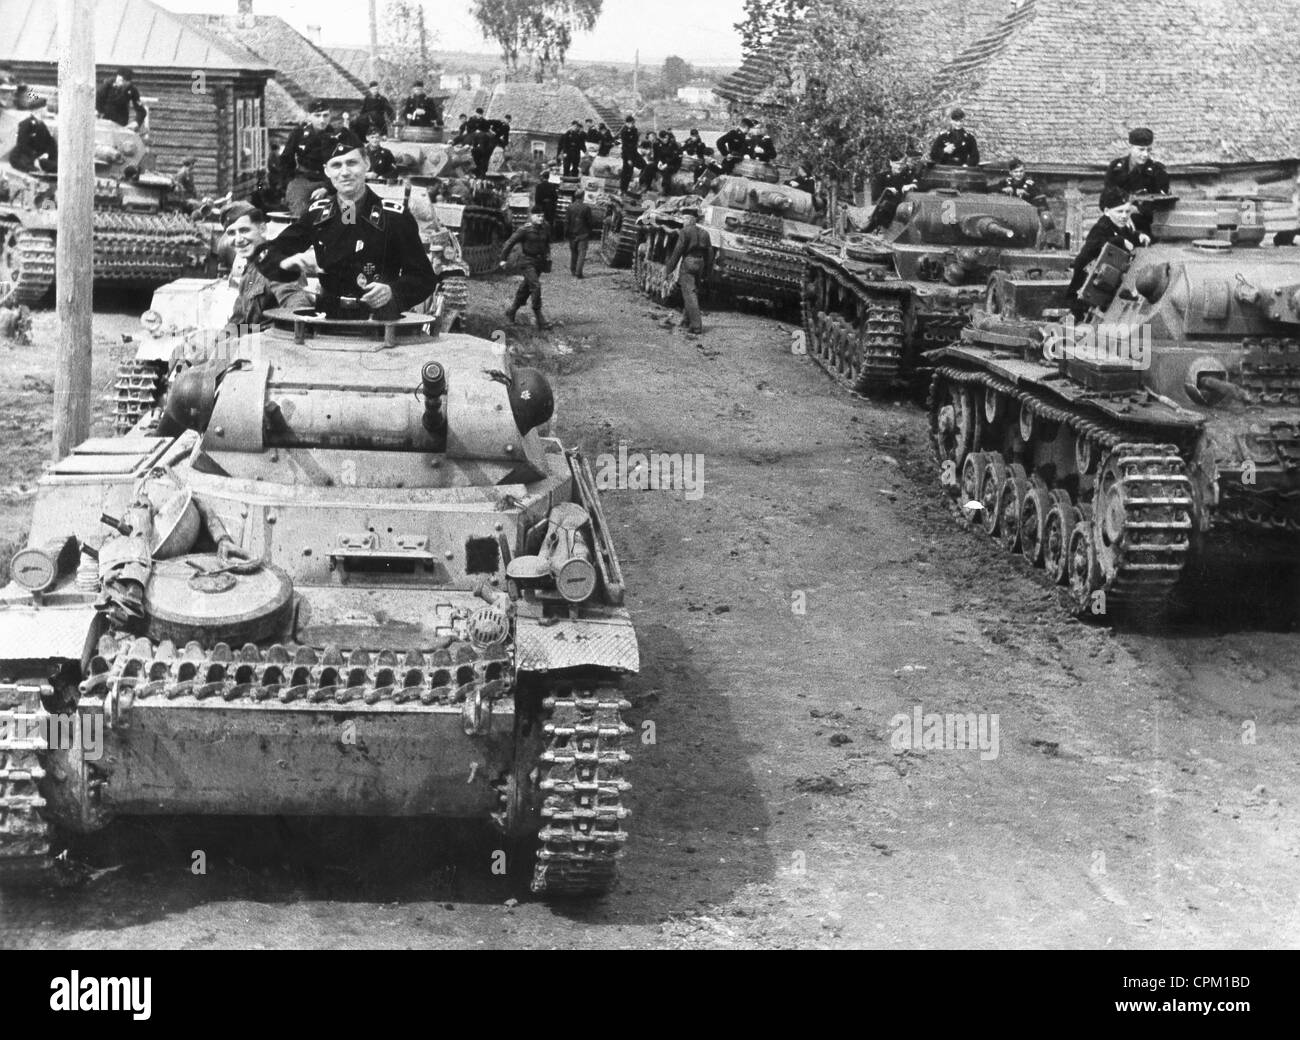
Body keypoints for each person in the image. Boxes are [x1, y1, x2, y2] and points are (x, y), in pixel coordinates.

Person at [258, 130, 436, 320]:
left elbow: (424, 278)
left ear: (366, 164)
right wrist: (288, 263)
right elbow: (268, 254)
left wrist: (393, 291)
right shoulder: (317, 215)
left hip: (379, 324)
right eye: (336, 165)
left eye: (352, 163)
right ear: (327, 171)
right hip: (328, 321)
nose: (344, 172)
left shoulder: (394, 217)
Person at [221, 202, 311, 328]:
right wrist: (218, 341)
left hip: (272, 342)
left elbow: (299, 308)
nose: (238, 239)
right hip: (252, 341)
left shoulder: (274, 263)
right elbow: (239, 320)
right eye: (231, 233)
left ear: (262, 229)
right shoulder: (250, 268)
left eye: (244, 230)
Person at [1066, 187, 1145, 318]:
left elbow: (1130, 236)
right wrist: (1120, 241)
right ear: (1107, 211)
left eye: (1127, 211)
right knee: (1081, 314)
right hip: (1085, 282)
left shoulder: (1120, 227)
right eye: (1119, 212)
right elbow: (1099, 244)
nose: (1124, 216)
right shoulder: (1101, 227)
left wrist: (1138, 236)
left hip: (1106, 278)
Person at [1103, 127, 1170, 238]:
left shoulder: (1157, 173)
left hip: (1144, 228)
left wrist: (1137, 209)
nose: (1145, 154)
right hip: (1114, 226)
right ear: (1131, 147)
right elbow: (1105, 200)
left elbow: (1161, 205)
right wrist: (1124, 212)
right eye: (1141, 149)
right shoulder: (1115, 168)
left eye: (1148, 150)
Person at [280, 100, 341, 217]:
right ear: (309, 116)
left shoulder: (337, 136)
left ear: (330, 116)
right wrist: (288, 182)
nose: (322, 120)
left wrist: (327, 188)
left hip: (330, 182)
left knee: (345, 212)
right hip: (303, 180)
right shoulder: (299, 133)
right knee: (301, 213)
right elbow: (286, 160)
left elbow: (341, 166)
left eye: (325, 115)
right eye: (317, 116)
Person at [499, 206, 553, 328]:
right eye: (538, 216)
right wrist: (503, 259)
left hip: (539, 261)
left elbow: (547, 243)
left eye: (542, 216)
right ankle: (539, 316)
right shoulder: (524, 229)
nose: (541, 218)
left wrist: (548, 256)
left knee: (526, 288)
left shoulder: (546, 228)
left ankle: (512, 311)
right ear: (532, 216)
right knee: (536, 285)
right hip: (527, 261)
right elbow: (510, 243)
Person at [665, 205, 713, 335]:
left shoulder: (685, 232)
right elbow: (710, 253)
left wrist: (669, 269)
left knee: (689, 293)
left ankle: (696, 326)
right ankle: (686, 321)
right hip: (701, 263)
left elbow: (677, 252)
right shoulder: (705, 233)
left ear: (689, 220)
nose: (683, 221)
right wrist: (708, 271)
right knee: (692, 290)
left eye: (684, 219)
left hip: (689, 262)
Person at [865, 151, 916, 232]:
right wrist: (887, 190)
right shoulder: (880, 177)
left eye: (902, 164)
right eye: (897, 163)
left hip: (904, 213)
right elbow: (875, 197)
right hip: (885, 214)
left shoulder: (908, 177)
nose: (899, 166)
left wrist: (911, 186)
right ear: (891, 163)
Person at [992, 157, 1051, 225]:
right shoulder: (1005, 182)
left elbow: (1040, 200)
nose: (1019, 174)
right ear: (1010, 172)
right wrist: (1002, 190)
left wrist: (1027, 194)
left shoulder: (1030, 184)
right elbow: (990, 189)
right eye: (1016, 172)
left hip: (1026, 216)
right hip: (1007, 216)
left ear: (1024, 171)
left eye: (1021, 171)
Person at [9, 90, 57, 173]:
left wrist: (48, 154)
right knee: (39, 165)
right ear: (36, 111)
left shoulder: (41, 124)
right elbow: (22, 144)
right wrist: (35, 156)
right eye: (43, 110)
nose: (44, 112)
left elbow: (49, 141)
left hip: (38, 155)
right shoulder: (26, 124)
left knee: (50, 164)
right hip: (23, 156)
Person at [565, 188, 596, 278]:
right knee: (582, 254)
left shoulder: (570, 207)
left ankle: (573, 270)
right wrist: (590, 231)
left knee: (574, 253)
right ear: (583, 196)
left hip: (572, 233)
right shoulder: (586, 208)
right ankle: (578, 272)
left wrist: (566, 233)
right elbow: (590, 222)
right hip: (583, 233)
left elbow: (566, 221)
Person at [618, 115, 644, 192]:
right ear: (626, 123)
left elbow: (634, 143)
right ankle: (623, 189)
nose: (631, 125)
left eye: (632, 123)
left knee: (644, 165)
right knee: (627, 172)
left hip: (634, 152)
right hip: (627, 154)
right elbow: (626, 146)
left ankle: (640, 183)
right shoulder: (624, 131)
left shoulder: (634, 130)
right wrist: (629, 158)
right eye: (630, 123)